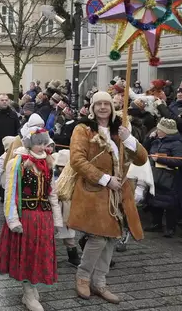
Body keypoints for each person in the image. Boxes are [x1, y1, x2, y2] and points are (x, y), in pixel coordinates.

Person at [69, 91, 148, 305]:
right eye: (98, 104)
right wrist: (104, 179)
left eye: (106, 104)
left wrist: (129, 139)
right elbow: (77, 160)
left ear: (112, 108)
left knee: (112, 236)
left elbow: (141, 159)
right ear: (92, 108)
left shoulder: (119, 131)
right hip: (94, 191)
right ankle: (83, 277)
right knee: (97, 237)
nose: (103, 107)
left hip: (119, 193)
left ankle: (100, 281)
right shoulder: (82, 129)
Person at [0, 128, 57, 311]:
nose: (41, 147)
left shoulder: (49, 162)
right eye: (37, 143)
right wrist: (12, 219)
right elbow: (10, 192)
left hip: (44, 216)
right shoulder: (18, 162)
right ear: (29, 143)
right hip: (26, 216)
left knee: (40, 253)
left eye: (44, 143)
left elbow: (52, 193)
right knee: (28, 254)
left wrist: (58, 218)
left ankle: (31, 288)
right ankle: (28, 291)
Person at [143, 118, 182, 237]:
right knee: (154, 200)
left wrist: (160, 159)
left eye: (160, 129)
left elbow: (179, 161)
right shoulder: (156, 139)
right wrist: (149, 138)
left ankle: (171, 228)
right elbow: (144, 149)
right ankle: (156, 224)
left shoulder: (177, 144)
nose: (157, 131)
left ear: (167, 131)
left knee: (169, 203)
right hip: (155, 174)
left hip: (167, 177)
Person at [51, 149, 80, 266]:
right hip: (55, 209)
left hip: (68, 210)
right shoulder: (53, 176)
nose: (62, 169)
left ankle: (73, 256)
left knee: (69, 235)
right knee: (51, 233)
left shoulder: (75, 178)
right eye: (60, 166)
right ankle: (48, 257)